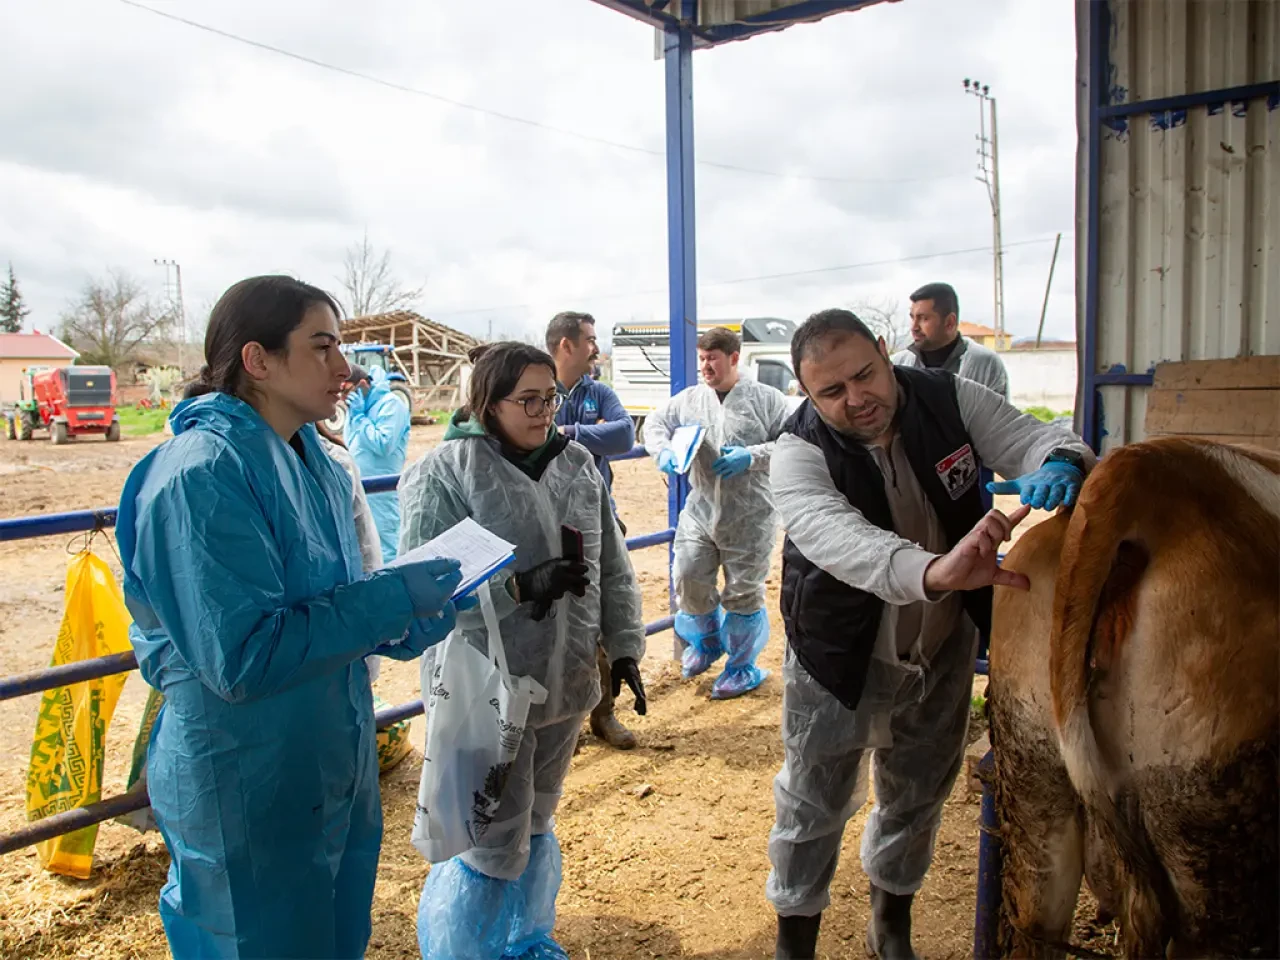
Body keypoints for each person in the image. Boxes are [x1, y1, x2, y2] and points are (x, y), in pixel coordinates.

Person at [116, 275, 465, 959]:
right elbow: (242, 656)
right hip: (245, 770)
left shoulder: (321, 465)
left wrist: (400, 624)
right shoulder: (201, 474)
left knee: (331, 933)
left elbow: (327, 605)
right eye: (325, 348)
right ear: (258, 360)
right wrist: (390, 600)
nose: (347, 371)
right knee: (257, 937)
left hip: (327, 755)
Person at [765, 308, 1094, 960]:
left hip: (942, 646)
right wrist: (938, 570)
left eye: (865, 375)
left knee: (918, 793)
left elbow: (1031, 436)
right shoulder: (797, 449)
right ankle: (794, 937)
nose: (856, 399)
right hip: (840, 654)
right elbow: (838, 539)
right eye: (831, 391)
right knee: (812, 802)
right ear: (807, 393)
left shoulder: (950, 398)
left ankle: (891, 920)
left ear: (886, 353)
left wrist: (1058, 459)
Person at [401, 341, 647, 960]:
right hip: (488, 686)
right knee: (487, 835)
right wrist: (517, 587)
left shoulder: (578, 464)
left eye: (551, 397)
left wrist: (623, 648)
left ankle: (524, 938)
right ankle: (467, 950)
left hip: (563, 683)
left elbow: (612, 566)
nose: (544, 412)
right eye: (527, 400)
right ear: (488, 402)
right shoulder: (448, 472)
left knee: (537, 817)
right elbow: (421, 589)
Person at [643, 326, 790, 699]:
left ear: (734, 358)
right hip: (701, 507)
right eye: (702, 359)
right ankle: (707, 642)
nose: (706, 366)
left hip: (751, 513)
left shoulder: (767, 399)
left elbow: (791, 443)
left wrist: (752, 457)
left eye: (713, 359)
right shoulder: (690, 400)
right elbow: (656, 423)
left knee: (743, 591)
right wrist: (661, 450)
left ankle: (742, 667)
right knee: (689, 574)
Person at [547, 310, 639, 750]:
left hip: (598, 520)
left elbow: (624, 437)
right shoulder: (538, 386)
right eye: (588, 339)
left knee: (602, 615)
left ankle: (603, 714)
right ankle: (561, 717)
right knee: (551, 621)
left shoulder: (598, 391)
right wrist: (592, 433)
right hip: (544, 524)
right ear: (565, 345)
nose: (595, 347)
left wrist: (568, 431)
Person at [891, 282, 1009, 398]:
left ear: (949, 322)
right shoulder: (898, 364)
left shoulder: (985, 364)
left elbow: (999, 416)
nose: (914, 327)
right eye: (912, 318)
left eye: (924, 318)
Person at [343, 363, 411, 561]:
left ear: (362, 384)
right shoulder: (358, 408)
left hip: (382, 490)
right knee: (366, 545)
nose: (342, 398)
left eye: (345, 390)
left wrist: (359, 417)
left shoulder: (391, 405)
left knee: (388, 545)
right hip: (361, 486)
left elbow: (383, 444)